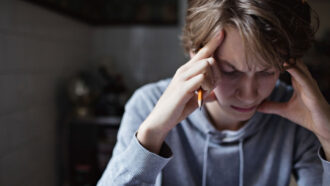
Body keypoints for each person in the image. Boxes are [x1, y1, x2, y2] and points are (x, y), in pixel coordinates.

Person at [98, 0, 330, 185]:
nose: (249, 95)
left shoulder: (294, 110)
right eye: (230, 71)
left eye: (267, 71)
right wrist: (152, 135)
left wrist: (328, 136)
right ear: (194, 54)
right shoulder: (147, 104)